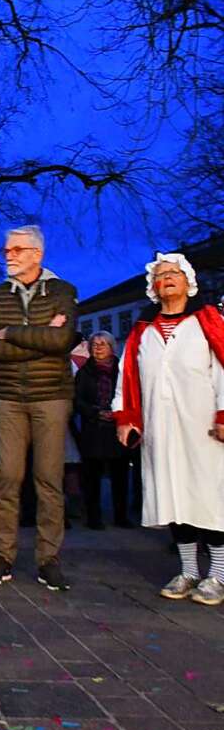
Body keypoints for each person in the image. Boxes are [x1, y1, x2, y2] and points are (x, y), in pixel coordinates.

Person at [113, 253, 224, 605]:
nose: (168, 279)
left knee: (210, 498)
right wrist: (126, 417)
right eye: (161, 275)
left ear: (188, 281)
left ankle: (218, 576)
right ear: (154, 287)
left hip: (202, 429)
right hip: (161, 429)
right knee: (174, 499)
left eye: (174, 273)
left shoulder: (209, 322)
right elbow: (126, 377)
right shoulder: (142, 331)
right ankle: (189, 571)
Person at [0, 224, 77, 591]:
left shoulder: (63, 291)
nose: (9, 256)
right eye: (7, 250)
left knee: (48, 480)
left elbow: (64, 339)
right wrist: (44, 337)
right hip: (8, 398)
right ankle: (3, 555)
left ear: (37, 254)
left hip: (51, 395)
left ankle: (49, 559)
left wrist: (13, 333)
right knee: (7, 478)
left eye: (17, 250)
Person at [75, 331, 132, 530]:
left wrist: (118, 413)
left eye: (103, 344)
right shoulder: (84, 372)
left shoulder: (123, 369)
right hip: (94, 428)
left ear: (112, 347)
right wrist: (94, 412)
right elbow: (77, 400)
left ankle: (121, 515)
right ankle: (93, 516)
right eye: (94, 344)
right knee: (92, 476)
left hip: (118, 428)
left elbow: (131, 394)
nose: (98, 348)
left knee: (120, 475)